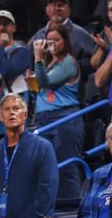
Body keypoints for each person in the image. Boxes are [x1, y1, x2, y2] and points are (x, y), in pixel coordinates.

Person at [0, 94, 58, 218]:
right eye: (7, 109)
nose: (12, 112)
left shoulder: (42, 148)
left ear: (25, 114)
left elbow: (45, 197)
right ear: (1, 116)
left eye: (16, 108)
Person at [33, 25, 84, 198]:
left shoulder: (68, 62)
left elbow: (45, 82)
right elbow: (39, 85)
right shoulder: (50, 63)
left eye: (57, 40)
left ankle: (71, 208)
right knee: (46, 168)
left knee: (67, 167)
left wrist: (38, 59)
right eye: (50, 40)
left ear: (65, 41)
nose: (52, 43)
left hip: (64, 119)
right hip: (44, 119)